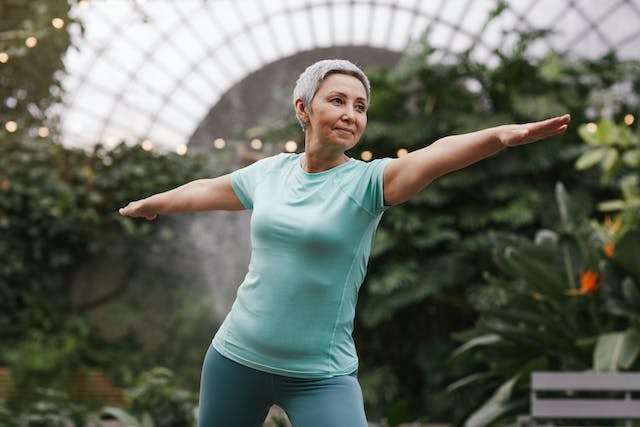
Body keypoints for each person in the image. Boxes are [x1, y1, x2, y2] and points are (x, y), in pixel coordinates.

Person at [119, 59, 570, 426]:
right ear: (303, 109)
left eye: (360, 106)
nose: (351, 114)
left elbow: (435, 156)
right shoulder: (269, 173)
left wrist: (498, 136)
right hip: (235, 359)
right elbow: (204, 190)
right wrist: (153, 202)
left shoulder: (371, 183)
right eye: (337, 100)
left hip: (320, 376)